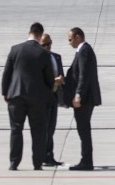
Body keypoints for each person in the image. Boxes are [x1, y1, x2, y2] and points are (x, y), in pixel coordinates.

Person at [1, 22, 54, 171]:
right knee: (38, 131)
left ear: (29, 32)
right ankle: (37, 163)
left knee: (16, 129)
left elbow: (7, 73)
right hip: (36, 97)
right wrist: (47, 93)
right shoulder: (43, 53)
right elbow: (49, 78)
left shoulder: (15, 49)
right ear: (40, 34)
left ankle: (14, 162)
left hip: (15, 95)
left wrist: (5, 92)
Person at [65, 27, 102, 171]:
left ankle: (86, 161)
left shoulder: (84, 50)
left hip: (84, 99)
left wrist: (78, 94)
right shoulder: (83, 50)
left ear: (78, 37)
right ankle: (86, 160)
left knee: (83, 129)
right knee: (83, 129)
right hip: (85, 97)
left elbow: (83, 75)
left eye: (70, 39)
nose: (69, 42)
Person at [40, 33, 65, 167]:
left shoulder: (56, 57)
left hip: (54, 96)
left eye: (49, 44)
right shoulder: (37, 59)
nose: (47, 47)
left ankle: (49, 156)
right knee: (44, 129)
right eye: (44, 45)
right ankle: (43, 156)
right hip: (43, 98)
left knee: (51, 128)